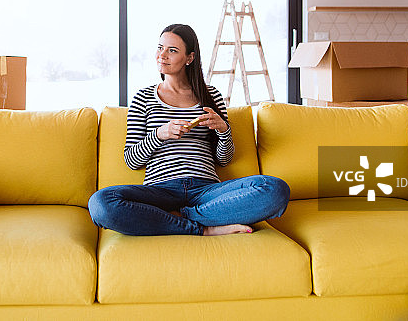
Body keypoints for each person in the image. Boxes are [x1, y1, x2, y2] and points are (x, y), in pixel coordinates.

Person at [88, 23, 290, 236]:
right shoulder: (143, 98)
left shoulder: (210, 96)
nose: (162, 55)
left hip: (207, 191)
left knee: (275, 189)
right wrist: (160, 134)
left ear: (189, 58)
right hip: (160, 191)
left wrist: (223, 131)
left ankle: (176, 217)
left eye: (172, 50)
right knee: (101, 203)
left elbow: (224, 159)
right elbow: (132, 160)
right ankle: (204, 228)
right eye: (160, 48)